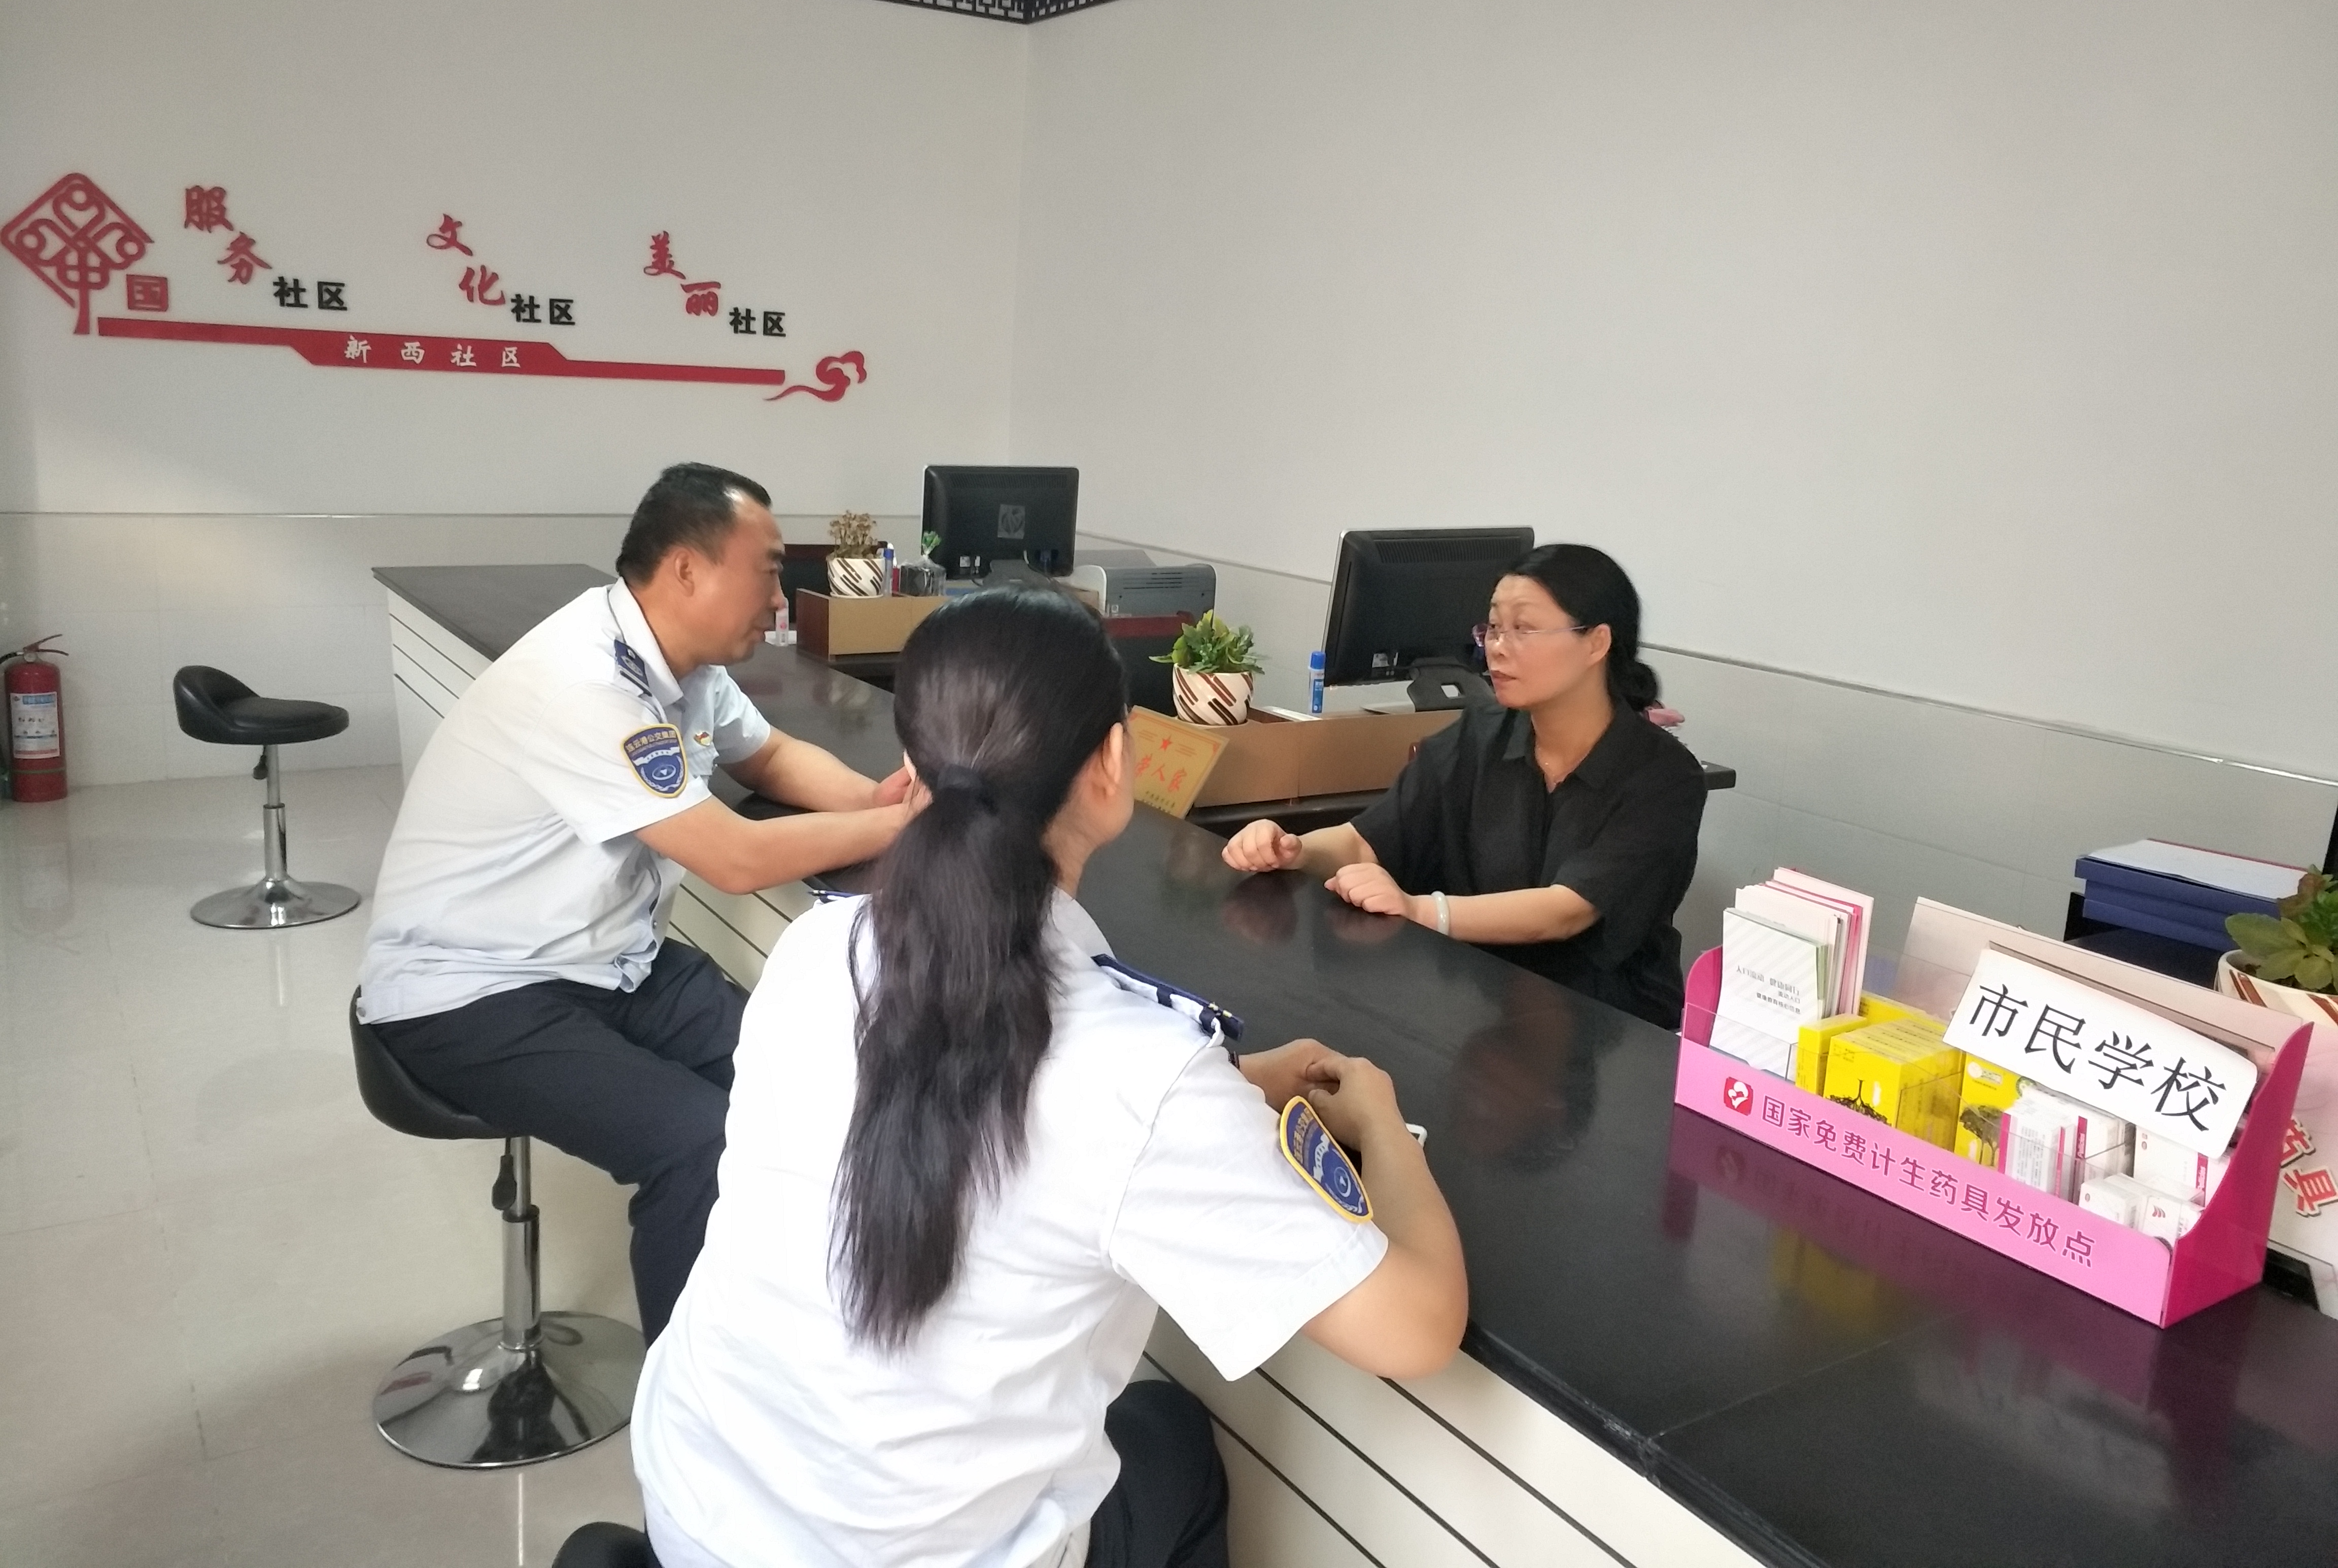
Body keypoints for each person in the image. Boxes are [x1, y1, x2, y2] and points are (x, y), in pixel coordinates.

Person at [634, 588, 1467, 1568]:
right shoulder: (1139, 1075)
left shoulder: (820, 948)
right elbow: (1415, 1330)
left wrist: (1226, 1085)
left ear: (911, 767)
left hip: (697, 1509)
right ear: (1111, 765)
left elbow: (988, 1087)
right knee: (1172, 1442)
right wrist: (1379, 1119)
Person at [358, 462, 916, 1341]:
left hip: (608, 962)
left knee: (805, 1068)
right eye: (768, 571)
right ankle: (688, 1394)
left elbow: (768, 757)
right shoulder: (582, 680)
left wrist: (879, 801)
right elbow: (733, 859)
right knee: (694, 1141)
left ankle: (794, 1331)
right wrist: (899, 829)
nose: (780, 598)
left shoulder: (682, 663)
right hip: (470, 987)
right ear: (687, 570)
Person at [1223, 544, 1705, 1030]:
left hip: (1610, 1027)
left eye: (1523, 628)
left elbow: (1567, 911)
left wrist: (1423, 911)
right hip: (1483, 1002)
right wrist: (1294, 849)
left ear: (1596, 643)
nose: (1497, 647)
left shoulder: (1663, 775)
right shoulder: (1480, 736)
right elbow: (1367, 841)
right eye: (1493, 628)